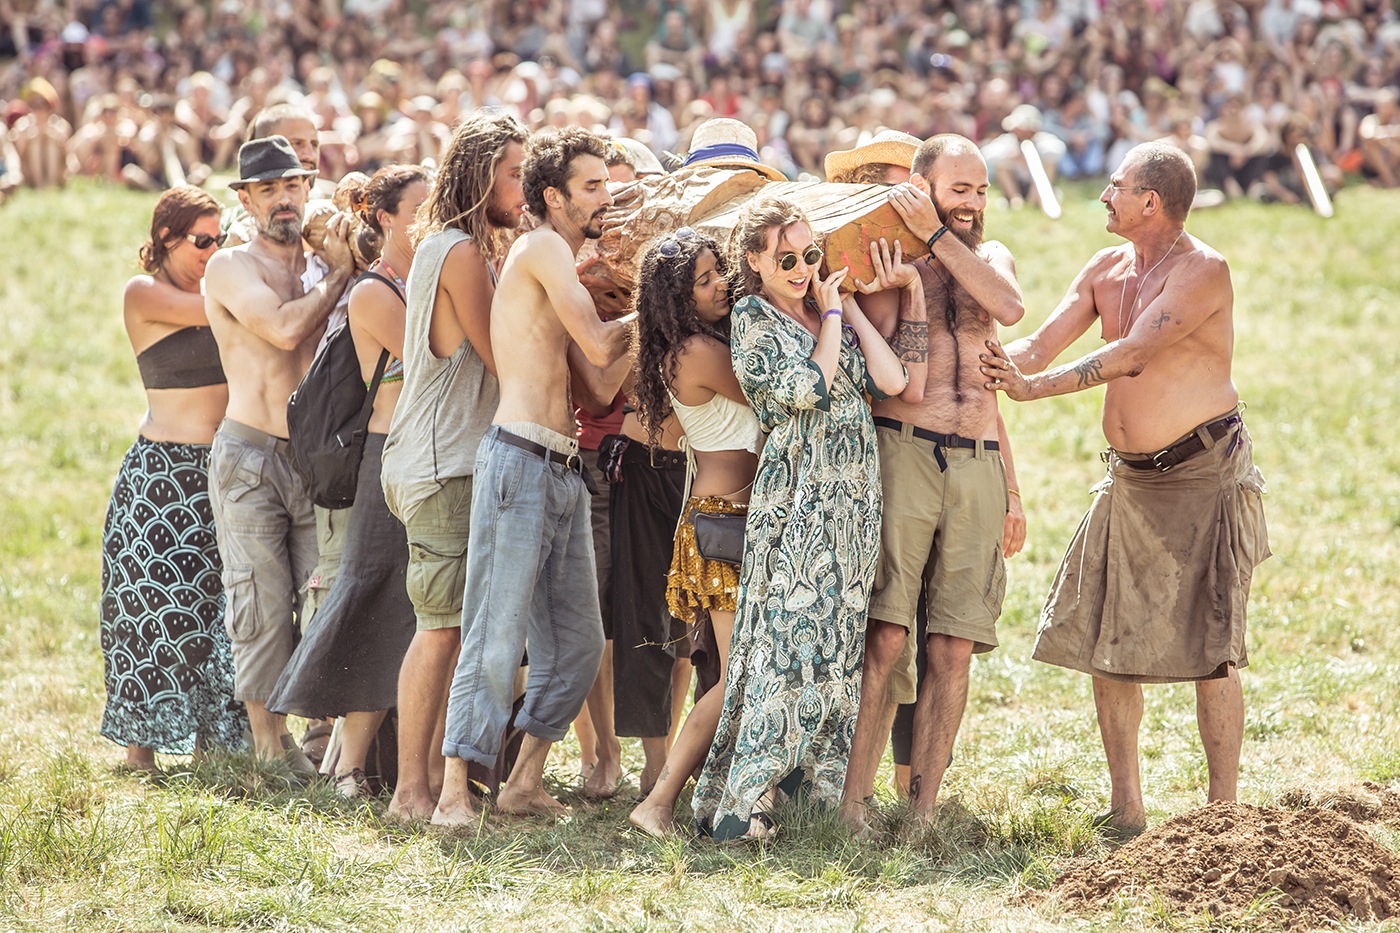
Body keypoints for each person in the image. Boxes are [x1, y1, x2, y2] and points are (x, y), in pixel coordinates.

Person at [978, 141, 1270, 836]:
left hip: (1203, 473)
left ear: (1152, 200)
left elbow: (1133, 353)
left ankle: (1222, 815)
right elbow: (1037, 346)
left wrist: (1030, 388)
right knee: (1107, 640)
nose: (1104, 195)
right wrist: (974, 362)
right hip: (1130, 478)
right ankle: (1127, 808)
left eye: (1116, 185)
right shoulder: (1105, 267)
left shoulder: (1203, 271)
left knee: (1212, 646)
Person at [691, 196, 911, 841]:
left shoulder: (823, 312)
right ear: (754, 262)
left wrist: (841, 306)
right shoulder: (753, 319)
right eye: (785, 258)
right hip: (798, 502)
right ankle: (743, 806)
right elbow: (806, 390)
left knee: (833, 651)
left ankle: (805, 800)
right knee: (784, 649)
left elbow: (892, 381)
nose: (801, 268)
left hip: (851, 506)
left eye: (810, 255)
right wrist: (834, 316)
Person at [431, 127, 632, 826]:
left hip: (563, 468)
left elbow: (600, 389)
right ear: (553, 197)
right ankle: (453, 793)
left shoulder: (564, 266)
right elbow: (602, 343)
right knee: (494, 635)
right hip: (518, 459)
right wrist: (659, 301)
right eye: (592, 186)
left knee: (578, 645)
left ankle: (521, 784)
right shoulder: (543, 246)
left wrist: (648, 323)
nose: (607, 197)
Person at [832, 134, 1028, 828]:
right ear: (923, 188)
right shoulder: (892, 258)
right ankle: (852, 804)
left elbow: (1009, 310)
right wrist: (915, 260)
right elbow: (894, 379)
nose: (972, 203)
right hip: (906, 450)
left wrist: (1011, 489)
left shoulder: (989, 256)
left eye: (980, 190)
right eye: (958, 190)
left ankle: (922, 810)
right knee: (886, 634)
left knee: (954, 642)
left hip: (977, 460)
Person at [381, 111, 529, 822]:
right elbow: (507, 358)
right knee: (440, 629)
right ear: (479, 177)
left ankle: (438, 782)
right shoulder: (461, 252)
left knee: (454, 630)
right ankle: (409, 791)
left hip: (439, 457)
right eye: (514, 174)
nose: (523, 186)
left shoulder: (450, 245)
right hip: (443, 463)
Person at [265, 164, 431, 797]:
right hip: (388, 459)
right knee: (374, 602)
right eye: (419, 210)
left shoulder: (423, 281)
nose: (431, 221)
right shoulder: (374, 291)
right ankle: (345, 765)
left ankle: (365, 764)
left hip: (426, 455)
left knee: (413, 613)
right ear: (385, 218)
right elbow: (435, 362)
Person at [202, 135, 354, 768]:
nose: (283, 199)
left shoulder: (325, 259)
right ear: (246, 200)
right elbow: (287, 328)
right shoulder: (230, 267)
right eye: (268, 189)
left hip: (317, 457)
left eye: (293, 185)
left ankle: (321, 738)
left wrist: (342, 263)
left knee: (326, 595)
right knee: (260, 603)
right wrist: (341, 274)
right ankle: (270, 749)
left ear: (308, 187)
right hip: (250, 455)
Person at [100, 187, 247, 772]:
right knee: (152, 607)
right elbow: (216, 309)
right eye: (202, 241)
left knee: (222, 606)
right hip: (164, 474)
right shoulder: (143, 292)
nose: (213, 252)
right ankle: (141, 752)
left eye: (220, 240)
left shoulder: (221, 287)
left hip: (225, 464)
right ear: (165, 239)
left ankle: (218, 745)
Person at [625, 226, 761, 838]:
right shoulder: (698, 352)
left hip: (723, 517)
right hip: (723, 522)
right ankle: (658, 802)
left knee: (737, 673)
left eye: (719, 273)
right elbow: (770, 393)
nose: (720, 286)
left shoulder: (693, 345)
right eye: (703, 281)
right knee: (733, 679)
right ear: (677, 300)